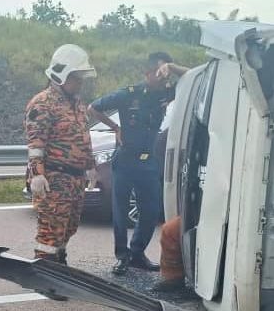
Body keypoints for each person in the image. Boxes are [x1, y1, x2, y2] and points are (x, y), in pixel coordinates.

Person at [89, 52, 186, 275]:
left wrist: (172, 66)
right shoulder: (128, 94)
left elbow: (192, 77)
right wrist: (115, 128)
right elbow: (93, 108)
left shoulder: (167, 93)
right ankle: (122, 257)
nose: (163, 78)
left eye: (166, 74)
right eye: (160, 72)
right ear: (148, 73)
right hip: (125, 160)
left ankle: (137, 254)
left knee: (151, 211)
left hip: (149, 162)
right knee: (121, 212)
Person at [24, 44, 97, 263]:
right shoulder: (43, 103)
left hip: (75, 179)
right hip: (54, 178)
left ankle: (59, 262)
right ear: (62, 75)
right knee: (51, 230)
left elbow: (84, 137)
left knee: (69, 227)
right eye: (76, 77)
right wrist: (37, 173)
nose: (80, 82)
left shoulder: (76, 104)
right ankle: (46, 273)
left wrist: (90, 166)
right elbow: (36, 142)